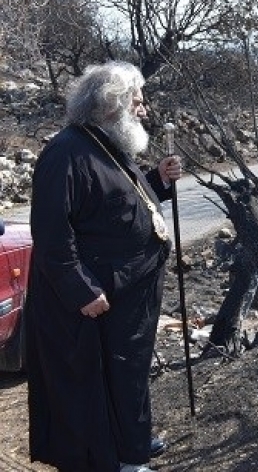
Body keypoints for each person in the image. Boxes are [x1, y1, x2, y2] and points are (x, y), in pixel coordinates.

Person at [26, 61, 182, 472]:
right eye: (138, 103)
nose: (145, 111)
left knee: (127, 374)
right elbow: (51, 236)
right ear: (113, 106)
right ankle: (116, 459)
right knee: (99, 382)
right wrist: (81, 290)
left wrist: (158, 181)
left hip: (128, 297)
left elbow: (119, 202)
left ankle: (132, 442)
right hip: (96, 300)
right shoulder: (65, 154)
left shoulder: (105, 145)